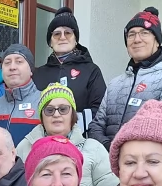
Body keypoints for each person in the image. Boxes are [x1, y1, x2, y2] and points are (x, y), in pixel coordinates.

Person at [88, 7, 162, 148]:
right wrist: (111, 150)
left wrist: (127, 154)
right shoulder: (115, 84)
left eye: (145, 33)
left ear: (157, 40)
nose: (137, 39)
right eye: (131, 34)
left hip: (145, 165)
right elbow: (96, 126)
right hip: (109, 164)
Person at [17, 84, 119, 186]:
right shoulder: (25, 147)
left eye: (63, 109)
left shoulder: (93, 148)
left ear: (72, 114)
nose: (56, 114)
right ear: (41, 116)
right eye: (49, 110)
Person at [32, 7, 107, 135]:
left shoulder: (91, 70)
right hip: (44, 141)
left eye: (68, 33)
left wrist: (69, 124)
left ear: (75, 39)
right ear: (50, 41)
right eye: (56, 34)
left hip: (81, 141)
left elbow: (100, 110)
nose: (62, 37)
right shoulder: (38, 73)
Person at [0, 44, 41, 145]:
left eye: (19, 62)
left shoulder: (46, 104)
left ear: (31, 70)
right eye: (7, 63)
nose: (12, 67)